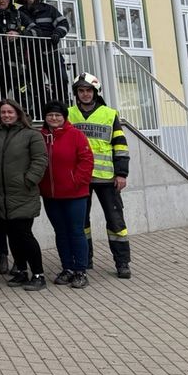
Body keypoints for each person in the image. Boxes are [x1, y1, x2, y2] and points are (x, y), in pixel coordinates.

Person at [0, 100, 48, 292]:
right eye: (3, 113)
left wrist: (29, 180)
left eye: (10, 112)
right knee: (12, 236)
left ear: (18, 113)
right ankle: (21, 271)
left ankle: (38, 274)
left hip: (22, 193)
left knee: (24, 235)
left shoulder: (31, 134)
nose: (6, 115)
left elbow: (40, 159)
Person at [67, 73, 132, 278]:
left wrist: (121, 173)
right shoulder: (68, 114)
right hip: (80, 178)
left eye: (88, 90)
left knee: (116, 222)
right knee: (80, 222)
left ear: (95, 92)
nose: (85, 94)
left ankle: (122, 263)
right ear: (76, 93)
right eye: (81, 90)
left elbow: (120, 146)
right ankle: (85, 260)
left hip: (107, 178)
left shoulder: (109, 114)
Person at [40, 101, 94, 288]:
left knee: (76, 232)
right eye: (50, 115)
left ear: (64, 117)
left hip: (75, 195)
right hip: (50, 195)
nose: (54, 118)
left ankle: (81, 270)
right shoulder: (41, 136)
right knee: (61, 233)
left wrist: (75, 182)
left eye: (58, 115)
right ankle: (67, 268)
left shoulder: (76, 135)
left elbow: (86, 161)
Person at [19, 0, 72, 105]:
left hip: (50, 52)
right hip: (31, 55)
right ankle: (42, 109)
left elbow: (63, 24)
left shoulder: (49, 9)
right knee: (36, 84)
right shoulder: (19, 13)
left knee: (60, 80)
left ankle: (61, 106)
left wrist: (57, 34)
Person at [0, 0, 32, 101]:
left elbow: (36, 30)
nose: (1, 1)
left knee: (23, 96)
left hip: (18, 62)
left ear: (11, 0)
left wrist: (19, 34)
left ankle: (24, 117)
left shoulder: (19, 15)